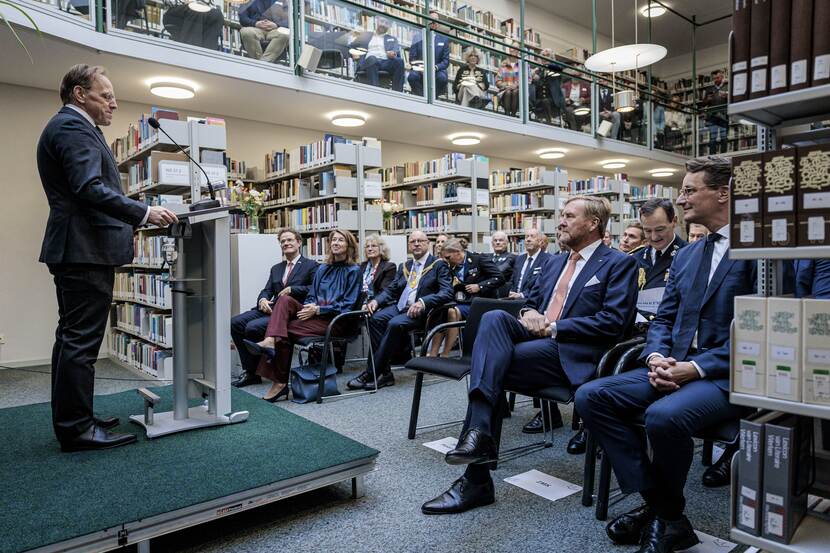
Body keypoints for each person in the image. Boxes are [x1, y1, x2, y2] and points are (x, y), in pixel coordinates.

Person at [575, 156, 756, 553]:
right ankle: (665, 511)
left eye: (690, 190)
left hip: (728, 374)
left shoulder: (759, 250)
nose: (682, 197)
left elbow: (763, 331)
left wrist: (695, 367)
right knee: (591, 396)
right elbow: (663, 318)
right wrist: (657, 358)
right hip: (671, 366)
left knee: (663, 416)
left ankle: (660, 513)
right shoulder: (689, 256)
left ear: (723, 194)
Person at [421, 196, 639, 515]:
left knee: (490, 367)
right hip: (534, 340)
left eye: (568, 216)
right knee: (495, 318)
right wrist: (529, 311)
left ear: (593, 223)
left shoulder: (619, 262)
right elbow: (528, 301)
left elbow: (614, 321)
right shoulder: (554, 262)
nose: (560, 221)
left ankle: (476, 476)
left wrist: (553, 326)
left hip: (572, 351)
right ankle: (479, 438)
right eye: (560, 215)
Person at [37, 65, 178, 452]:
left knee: (71, 340)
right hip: (83, 249)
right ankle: (76, 429)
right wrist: (143, 213)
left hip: (79, 248)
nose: (114, 103)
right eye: (106, 95)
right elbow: (89, 187)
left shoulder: (76, 127)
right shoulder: (71, 127)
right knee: (80, 342)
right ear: (79, 94)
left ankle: (74, 419)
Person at [244, 229, 361, 402]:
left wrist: (320, 309)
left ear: (349, 245)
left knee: (282, 332)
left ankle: (279, 382)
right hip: (314, 315)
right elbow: (312, 294)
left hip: (336, 321)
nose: (335, 243)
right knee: (284, 299)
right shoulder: (323, 268)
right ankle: (270, 343)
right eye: (333, 240)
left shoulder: (354, 270)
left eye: (340, 240)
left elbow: (348, 304)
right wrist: (311, 305)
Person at [347, 230, 453, 390]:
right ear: (409, 246)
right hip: (400, 307)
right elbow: (391, 289)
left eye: (420, 241)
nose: (416, 244)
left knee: (394, 324)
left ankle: (371, 373)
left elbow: (447, 292)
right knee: (374, 318)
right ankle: (385, 374)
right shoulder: (405, 266)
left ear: (427, 244)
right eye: (412, 242)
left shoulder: (439, 265)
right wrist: (376, 300)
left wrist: (423, 302)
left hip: (422, 312)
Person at [231, 228, 318, 388]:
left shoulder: (311, 265)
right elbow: (267, 289)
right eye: (283, 241)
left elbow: (314, 289)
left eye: (289, 240)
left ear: (299, 242)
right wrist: (263, 299)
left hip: (291, 312)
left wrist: (293, 289)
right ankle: (251, 372)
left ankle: (258, 370)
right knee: (235, 323)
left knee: (252, 327)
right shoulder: (276, 268)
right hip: (271, 308)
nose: (286, 243)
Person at [428, 239, 504, 357]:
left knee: (452, 312)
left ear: (458, 252)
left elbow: (499, 278)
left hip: (480, 304)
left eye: (448, 257)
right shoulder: (450, 266)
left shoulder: (478, 259)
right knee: (441, 309)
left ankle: (445, 354)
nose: (445, 261)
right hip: (460, 301)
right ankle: (433, 353)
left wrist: (479, 286)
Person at [634, 199, 688, 321]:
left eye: (659, 230)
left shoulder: (689, 255)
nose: (653, 237)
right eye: (647, 231)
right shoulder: (635, 258)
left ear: (674, 222)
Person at [349, 19, 405, 92]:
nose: (383, 24)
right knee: (372, 59)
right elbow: (351, 46)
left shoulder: (392, 39)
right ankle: (375, 91)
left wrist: (393, 54)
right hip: (369, 61)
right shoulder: (366, 35)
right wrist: (354, 54)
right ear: (377, 22)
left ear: (389, 26)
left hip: (386, 62)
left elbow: (396, 52)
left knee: (400, 61)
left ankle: (397, 92)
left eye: (386, 23)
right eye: (382, 21)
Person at [406, 12, 450, 97]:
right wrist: (421, 67)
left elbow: (446, 61)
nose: (433, 22)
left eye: (436, 20)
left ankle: (433, 97)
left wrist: (435, 67)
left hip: (436, 70)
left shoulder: (444, 39)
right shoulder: (417, 37)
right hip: (420, 69)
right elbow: (412, 57)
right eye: (431, 20)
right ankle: (422, 97)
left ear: (438, 24)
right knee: (412, 76)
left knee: (442, 78)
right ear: (426, 22)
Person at [238, 0, 290, 64]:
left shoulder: (282, 1)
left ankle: (261, 63)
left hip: (275, 29)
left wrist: (276, 25)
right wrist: (255, 23)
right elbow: (242, 18)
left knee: (285, 34)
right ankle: (263, 64)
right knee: (246, 32)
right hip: (255, 28)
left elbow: (289, 21)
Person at [507, 228, 550, 299]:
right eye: (526, 237)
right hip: (513, 300)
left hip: (533, 301)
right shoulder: (519, 259)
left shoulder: (548, 259)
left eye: (532, 236)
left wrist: (522, 295)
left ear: (540, 242)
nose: (528, 239)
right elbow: (513, 280)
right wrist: (510, 292)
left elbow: (544, 285)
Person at [359, 234, 397, 304]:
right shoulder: (361, 266)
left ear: (381, 248)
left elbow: (384, 292)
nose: (370, 249)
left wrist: (369, 304)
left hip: (376, 304)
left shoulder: (389, 267)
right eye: (367, 246)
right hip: (359, 303)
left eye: (373, 246)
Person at [530, 50, 565, 124]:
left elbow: (561, 67)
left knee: (546, 101)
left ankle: (549, 123)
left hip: (553, 99)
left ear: (551, 58)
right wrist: (533, 75)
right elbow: (535, 84)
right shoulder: (538, 70)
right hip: (538, 99)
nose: (544, 58)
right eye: (543, 56)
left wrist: (546, 66)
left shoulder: (555, 68)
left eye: (547, 55)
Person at [701, 70, 729, 154]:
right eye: (714, 78)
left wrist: (727, 96)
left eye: (717, 78)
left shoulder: (727, 87)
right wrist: (707, 100)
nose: (716, 80)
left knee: (724, 137)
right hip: (712, 116)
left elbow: (733, 99)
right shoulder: (709, 89)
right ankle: (712, 155)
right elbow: (703, 104)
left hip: (724, 116)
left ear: (722, 77)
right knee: (712, 138)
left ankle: (724, 154)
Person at [489, 230, 515, 298]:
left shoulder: (512, 257)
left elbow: (499, 271)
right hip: (487, 290)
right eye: (495, 240)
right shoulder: (487, 257)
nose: (498, 242)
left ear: (506, 243)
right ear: (492, 243)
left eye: (500, 240)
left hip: (502, 292)